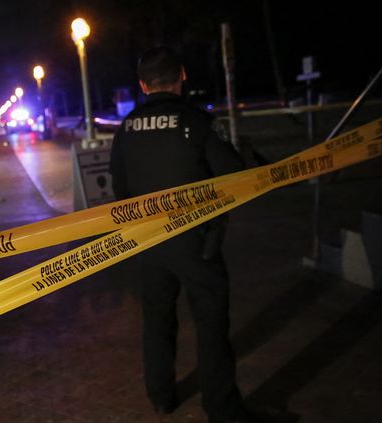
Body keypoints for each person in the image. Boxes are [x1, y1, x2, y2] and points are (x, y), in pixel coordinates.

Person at [109, 46, 257, 423]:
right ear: (183, 76)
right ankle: (221, 406)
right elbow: (234, 175)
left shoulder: (125, 129)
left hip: (148, 240)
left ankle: (161, 396)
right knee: (211, 324)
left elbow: (120, 190)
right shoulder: (198, 121)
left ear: (143, 85)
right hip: (197, 243)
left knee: (157, 320)